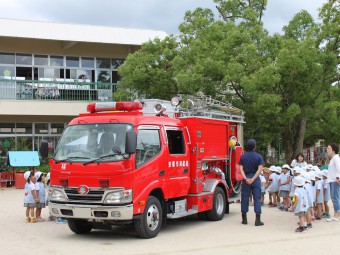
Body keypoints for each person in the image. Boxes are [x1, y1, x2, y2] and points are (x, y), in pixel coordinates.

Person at [239, 139, 264, 226]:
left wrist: (246, 178)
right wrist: (253, 179)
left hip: (246, 178)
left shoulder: (243, 157)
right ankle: (257, 220)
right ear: (255, 146)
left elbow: (241, 169)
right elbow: (259, 169)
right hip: (256, 179)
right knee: (257, 198)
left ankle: (244, 219)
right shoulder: (259, 157)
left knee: (245, 198)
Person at [326, 143, 340, 222]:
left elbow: (339, 168)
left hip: (335, 180)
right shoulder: (333, 158)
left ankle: (337, 214)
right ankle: (336, 213)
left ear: (333, 150)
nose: (327, 150)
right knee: (334, 198)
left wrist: (338, 178)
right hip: (331, 180)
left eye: (329, 148)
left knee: (335, 198)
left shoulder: (336, 158)